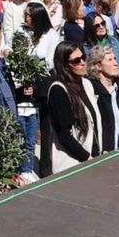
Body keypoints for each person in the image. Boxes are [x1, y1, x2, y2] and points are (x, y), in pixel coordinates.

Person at [39, 42, 99, 175]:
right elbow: (64, 135)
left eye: (83, 57)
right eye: (77, 60)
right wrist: (86, 158)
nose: (83, 62)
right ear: (65, 65)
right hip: (74, 163)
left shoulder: (87, 84)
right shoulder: (58, 90)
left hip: (93, 157)